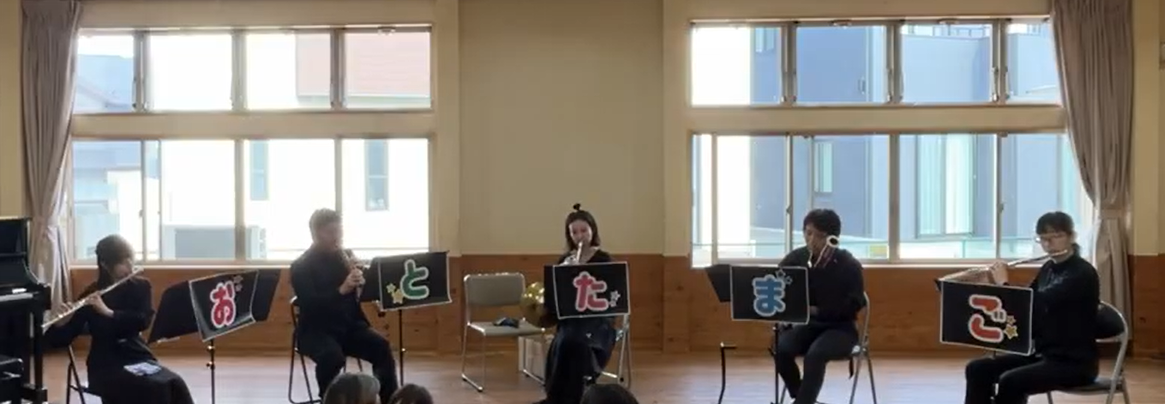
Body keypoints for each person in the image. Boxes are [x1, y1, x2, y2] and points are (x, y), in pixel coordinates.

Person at [963, 211, 1099, 404]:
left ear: (1071, 237)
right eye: (1043, 238)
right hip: (1042, 354)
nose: (1048, 244)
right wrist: (988, 286)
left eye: (1056, 236)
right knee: (977, 369)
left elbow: (1039, 302)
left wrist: (1004, 284)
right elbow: (1025, 307)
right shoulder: (1048, 269)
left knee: (1011, 381)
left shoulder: (1082, 273)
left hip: (1074, 363)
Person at [45, 235, 194, 404]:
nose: (130, 267)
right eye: (123, 263)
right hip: (105, 366)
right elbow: (60, 340)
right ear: (105, 265)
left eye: (131, 260)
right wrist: (60, 323)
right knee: (153, 389)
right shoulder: (91, 295)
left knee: (174, 384)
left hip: (137, 355)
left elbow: (143, 321)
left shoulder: (141, 287)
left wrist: (109, 313)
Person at [292, 209, 399, 403]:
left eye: (339, 231)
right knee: (332, 357)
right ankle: (329, 400)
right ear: (316, 234)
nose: (337, 237)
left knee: (381, 347)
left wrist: (362, 282)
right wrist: (342, 289)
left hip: (348, 326)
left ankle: (389, 399)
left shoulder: (345, 257)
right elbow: (310, 305)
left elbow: (356, 297)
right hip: (316, 331)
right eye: (331, 232)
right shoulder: (301, 266)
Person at [772, 209, 866, 404]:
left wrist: (818, 310)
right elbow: (778, 289)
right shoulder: (795, 259)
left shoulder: (848, 264)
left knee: (815, 355)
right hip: (806, 325)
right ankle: (801, 397)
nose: (812, 240)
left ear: (833, 239)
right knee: (780, 349)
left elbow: (855, 303)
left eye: (820, 236)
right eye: (808, 233)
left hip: (841, 329)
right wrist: (783, 315)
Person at [534, 203, 618, 404]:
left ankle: (576, 397)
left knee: (577, 342)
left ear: (592, 230)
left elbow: (613, 297)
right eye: (574, 232)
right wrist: (566, 272)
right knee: (565, 341)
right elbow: (557, 299)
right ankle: (556, 398)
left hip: (598, 320)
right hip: (572, 320)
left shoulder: (604, 260)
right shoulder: (565, 260)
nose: (580, 236)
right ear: (569, 235)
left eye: (584, 231)